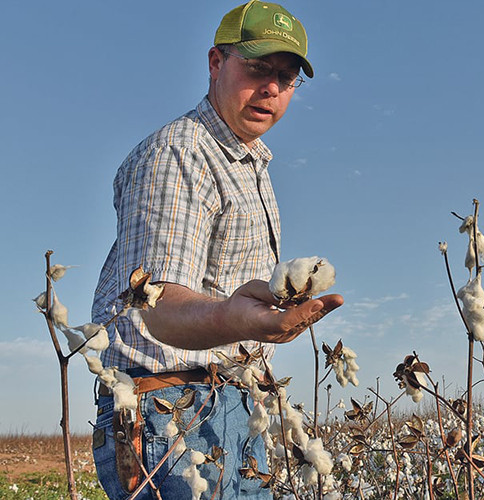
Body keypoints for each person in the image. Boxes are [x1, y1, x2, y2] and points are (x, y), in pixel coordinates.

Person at [90, 2, 343, 498]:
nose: (271, 87)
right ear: (215, 62)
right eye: (257, 68)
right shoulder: (180, 155)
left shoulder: (248, 164)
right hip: (170, 410)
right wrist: (237, 317)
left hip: (224, 405)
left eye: (287, 78)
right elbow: (155, 310)